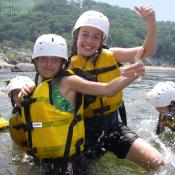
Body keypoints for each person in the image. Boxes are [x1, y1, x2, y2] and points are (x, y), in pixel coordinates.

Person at [19, 33, 157, 175]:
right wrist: (25, 88)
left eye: (54, 60)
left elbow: (107, 89)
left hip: (69, 164)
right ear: (35, 61)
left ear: (62, 63)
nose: (49, 64)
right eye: (43, 59)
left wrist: (133, 74)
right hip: (40, 161)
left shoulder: (68, 81)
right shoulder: (36, 90)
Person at [69, 6, 163, 170]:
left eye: (96, 37)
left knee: (156, 163)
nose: (89, 41)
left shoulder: (112, 55)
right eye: (85, 34)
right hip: (83, 131)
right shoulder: (66, 66)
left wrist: (151, 22)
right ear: (76, 36)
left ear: (101, 41)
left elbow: (147, 51)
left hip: (112, 126)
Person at [5, 76, 35, 147]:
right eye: (16, 93)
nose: (20, 95)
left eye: (25, 91)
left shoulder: (44, 110)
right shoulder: (15, 118)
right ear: (12, 99)